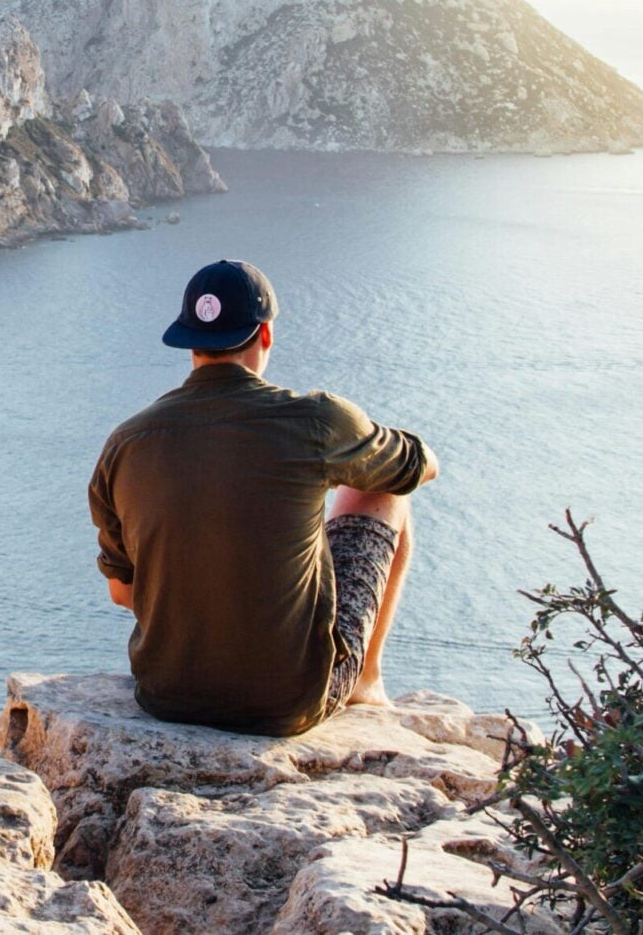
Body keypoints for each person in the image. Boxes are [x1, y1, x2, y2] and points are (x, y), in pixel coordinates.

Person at [88, 259, 437, 736]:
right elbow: (417, 467)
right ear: (265, 335)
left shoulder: (125, 443)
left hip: (166, 695)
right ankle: (365, 682)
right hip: (285, 703)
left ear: (190, 342)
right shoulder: (315, 420)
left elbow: (122, 592)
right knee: (386, 491)